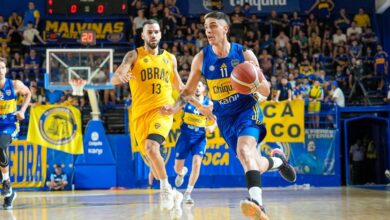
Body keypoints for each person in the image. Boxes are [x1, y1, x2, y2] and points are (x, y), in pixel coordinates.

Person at [161, 12, 296, 220]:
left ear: (225, 29)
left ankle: (257, 204)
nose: (208, 30)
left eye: (213, 25)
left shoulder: (244, 54)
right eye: (205, 26)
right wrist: (174, 107)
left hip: (247, 111)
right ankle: (278, 162)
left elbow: (266, 90)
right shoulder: (202, 58)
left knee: (244, 150)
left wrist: (255, 83)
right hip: (225, 119)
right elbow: (187, 92)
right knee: (253, 161)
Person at [110, 19, 183, 217]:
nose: (153, 35)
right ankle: (175, 194)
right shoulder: (134, 55)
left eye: (156, 32)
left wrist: (179, 107)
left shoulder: (170, 59)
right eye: (149, 32)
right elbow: (115, 77)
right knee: (151, 157)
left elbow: (182, 90)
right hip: (139, 115)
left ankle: (166, 188)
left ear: (160, 34)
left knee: (152, 147)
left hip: (162, 111)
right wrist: (121, 77)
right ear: (142, 35)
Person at [174, 80, 217, 204]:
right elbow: (175, 108)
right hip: (185, 136)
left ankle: (188, 193)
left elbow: (215, 120)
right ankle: (181, 173)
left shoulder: (209, 104)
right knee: (177, 168)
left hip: (200, 137)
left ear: (203, 88)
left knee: (197, 162)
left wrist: (212, 127)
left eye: (199, 86)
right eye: (195, 86)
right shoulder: (187, 100)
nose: (197, 88)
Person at [0, 58, 31, 209]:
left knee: (1, 145)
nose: (0, 70)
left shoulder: (14, 84)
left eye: (2, 67)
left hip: (10, 124)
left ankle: (6, 182)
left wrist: (23, 110)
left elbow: (28, 93)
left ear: (6, 70)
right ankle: (9, 194)